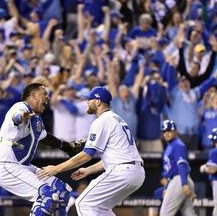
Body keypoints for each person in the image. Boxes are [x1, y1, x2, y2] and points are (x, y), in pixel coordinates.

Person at [38, 86, 145, 216]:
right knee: (101, 208)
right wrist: (88, 170)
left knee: (83, 203)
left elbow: (86, 155)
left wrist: (56, 169)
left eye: (89, 99)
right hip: (136, 173)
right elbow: (114, 158)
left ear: (98, 102)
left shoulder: (102, 120)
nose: (87, 102)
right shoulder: (116, 119)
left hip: (122, 172)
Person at [0, 83, 83, 216]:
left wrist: (67, 146)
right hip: (7, 166)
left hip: (22, 166)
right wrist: (21, 116)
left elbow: (45, 137)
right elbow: (16, 118)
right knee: (47, 195)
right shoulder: (20, 107)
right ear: (34, 96)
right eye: (44, 94)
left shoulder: (36, 118)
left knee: (61, 191)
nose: (47, 98)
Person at [159, 120, 196, 216]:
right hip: (180, 180)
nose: (166, 133)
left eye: (169, 131)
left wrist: (184, 183)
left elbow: (181, 164)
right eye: (164, 131)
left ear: (175, 131)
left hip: (180, 179)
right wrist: (166, 187)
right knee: (188, 212)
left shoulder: (177, 145)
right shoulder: (170, 146)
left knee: (165, 213)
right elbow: (169, 171)